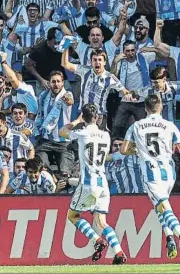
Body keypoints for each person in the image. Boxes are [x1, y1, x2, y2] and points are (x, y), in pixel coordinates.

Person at [121, 94, 180, 261]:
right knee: (159, 206)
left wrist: (137, 150)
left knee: (163, 207)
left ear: (145, 108)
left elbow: (124, 149)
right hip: (169, 173)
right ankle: (169, 238)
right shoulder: (169, 126)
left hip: (151, 173)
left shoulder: (137, 126)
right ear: (160, 107)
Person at [59, 103, 127, 265]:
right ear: (97, 117)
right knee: (101, 221)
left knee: (73, 216)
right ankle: (118, 252)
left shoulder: (81, 133)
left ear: (84, 117)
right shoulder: (105, 135)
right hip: (103, 183)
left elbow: (62, 132)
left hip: (88, 183)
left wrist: (76, 121)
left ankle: (97, 240)